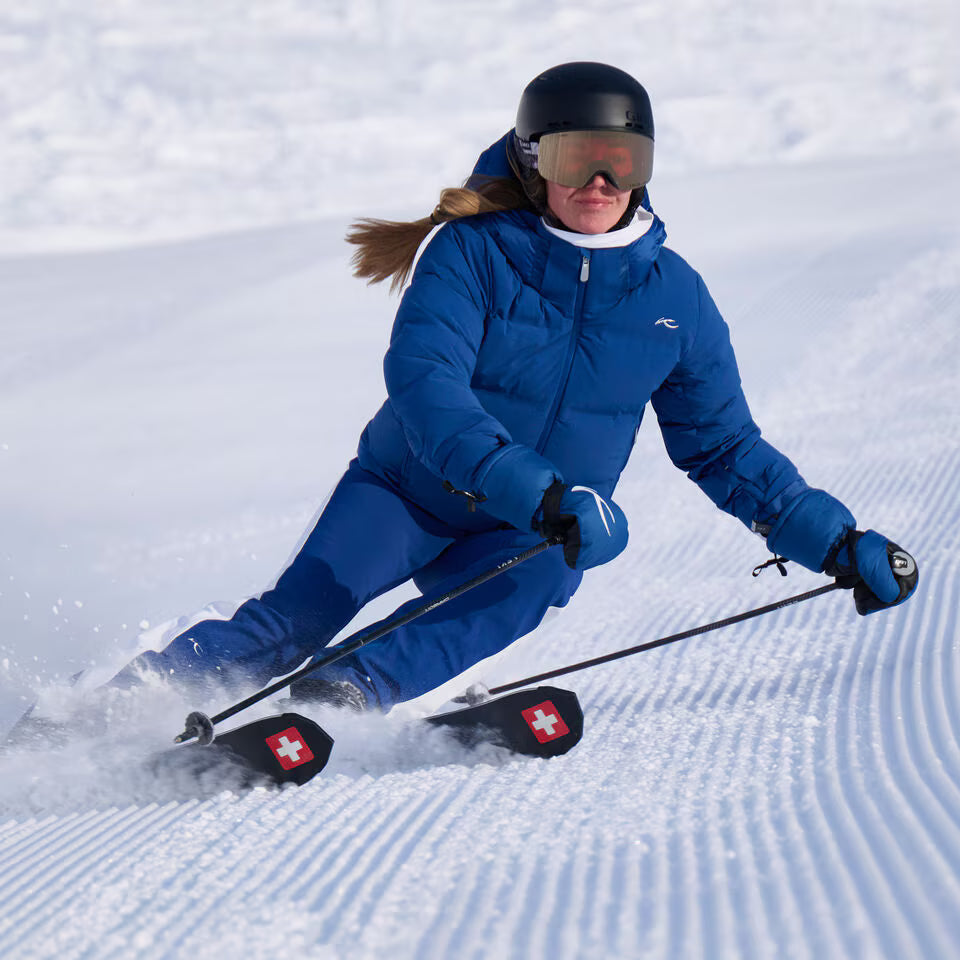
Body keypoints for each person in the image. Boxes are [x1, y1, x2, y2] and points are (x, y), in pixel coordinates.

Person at [112, 62, 917, 711]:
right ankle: (111, 714)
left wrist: (835, 544)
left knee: (541, 575)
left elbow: (724, 448)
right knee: (292, 623)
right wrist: (539, 491)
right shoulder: (472, 254)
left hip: (528, 532)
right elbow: (426, 385)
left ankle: (339, 699)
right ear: (534, 163)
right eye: (575, 158)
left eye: (623, 160)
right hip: (404, 495)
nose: (600, 180)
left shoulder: (676, 298)